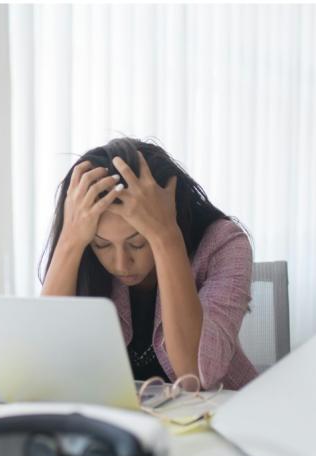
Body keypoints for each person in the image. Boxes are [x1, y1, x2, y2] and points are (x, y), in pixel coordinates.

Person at [39, 138, 257, 390]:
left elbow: (195, 376)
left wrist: (165, 236)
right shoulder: (82, 249)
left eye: (138, 243)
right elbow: (45, 363)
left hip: (216, 418)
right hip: (123, 420)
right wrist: (70, 240)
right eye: (102, 245)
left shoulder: (224, 243)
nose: (121, 264)